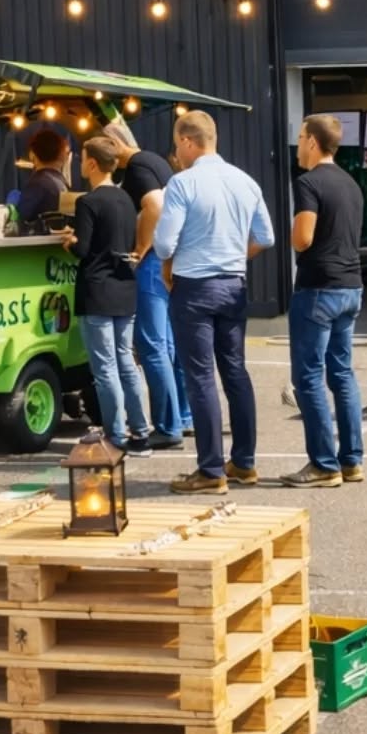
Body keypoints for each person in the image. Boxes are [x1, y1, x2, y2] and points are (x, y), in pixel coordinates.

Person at [153, 110, 275, 493]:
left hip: (194, 286)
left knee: (201, 376)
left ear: (189, 142)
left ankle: (210, 470)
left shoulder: (182, 183)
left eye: (178, 146)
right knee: (235, 372)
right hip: (234, 284)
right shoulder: (245, 181)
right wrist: (238, 254)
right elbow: (266, 237)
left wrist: (170, 263)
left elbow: (163, 243)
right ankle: (243, 462)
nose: (177, 153)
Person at [281, 115, 365, 488]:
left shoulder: (309, 182)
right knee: (342, 374)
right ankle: (351, 460)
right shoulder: (351, 183)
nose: (297, 146)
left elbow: (303, 238)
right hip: (351, 284)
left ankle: (323, 464)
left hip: (318, 287)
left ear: (313, 142)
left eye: (300, 138)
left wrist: (292, 233)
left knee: (309, 377)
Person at [99, 125, 192, 449]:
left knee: (151, 346)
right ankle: (182, 415)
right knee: (167, 344)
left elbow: (154, 205)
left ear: (114, 143)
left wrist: (141, 247)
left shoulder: (138, 166)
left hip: (153, 263)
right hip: (170, 259)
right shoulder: (155, 162)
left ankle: (168, 427)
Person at [61, 135, 152, 454]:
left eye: (82, 157)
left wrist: (70, 241)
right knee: (126, 361)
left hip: (97, 289)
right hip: (125, 287)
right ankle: (141, 433)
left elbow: (83, 249)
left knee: (105, 368)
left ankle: (116, 435)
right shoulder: (127, 199)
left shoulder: (88, 202)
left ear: (91, 163)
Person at [15, 128, 71, 225]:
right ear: (61, 154)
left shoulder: (36, 184)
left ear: (32, 154)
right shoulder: (61, 182)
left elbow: (22, 219)